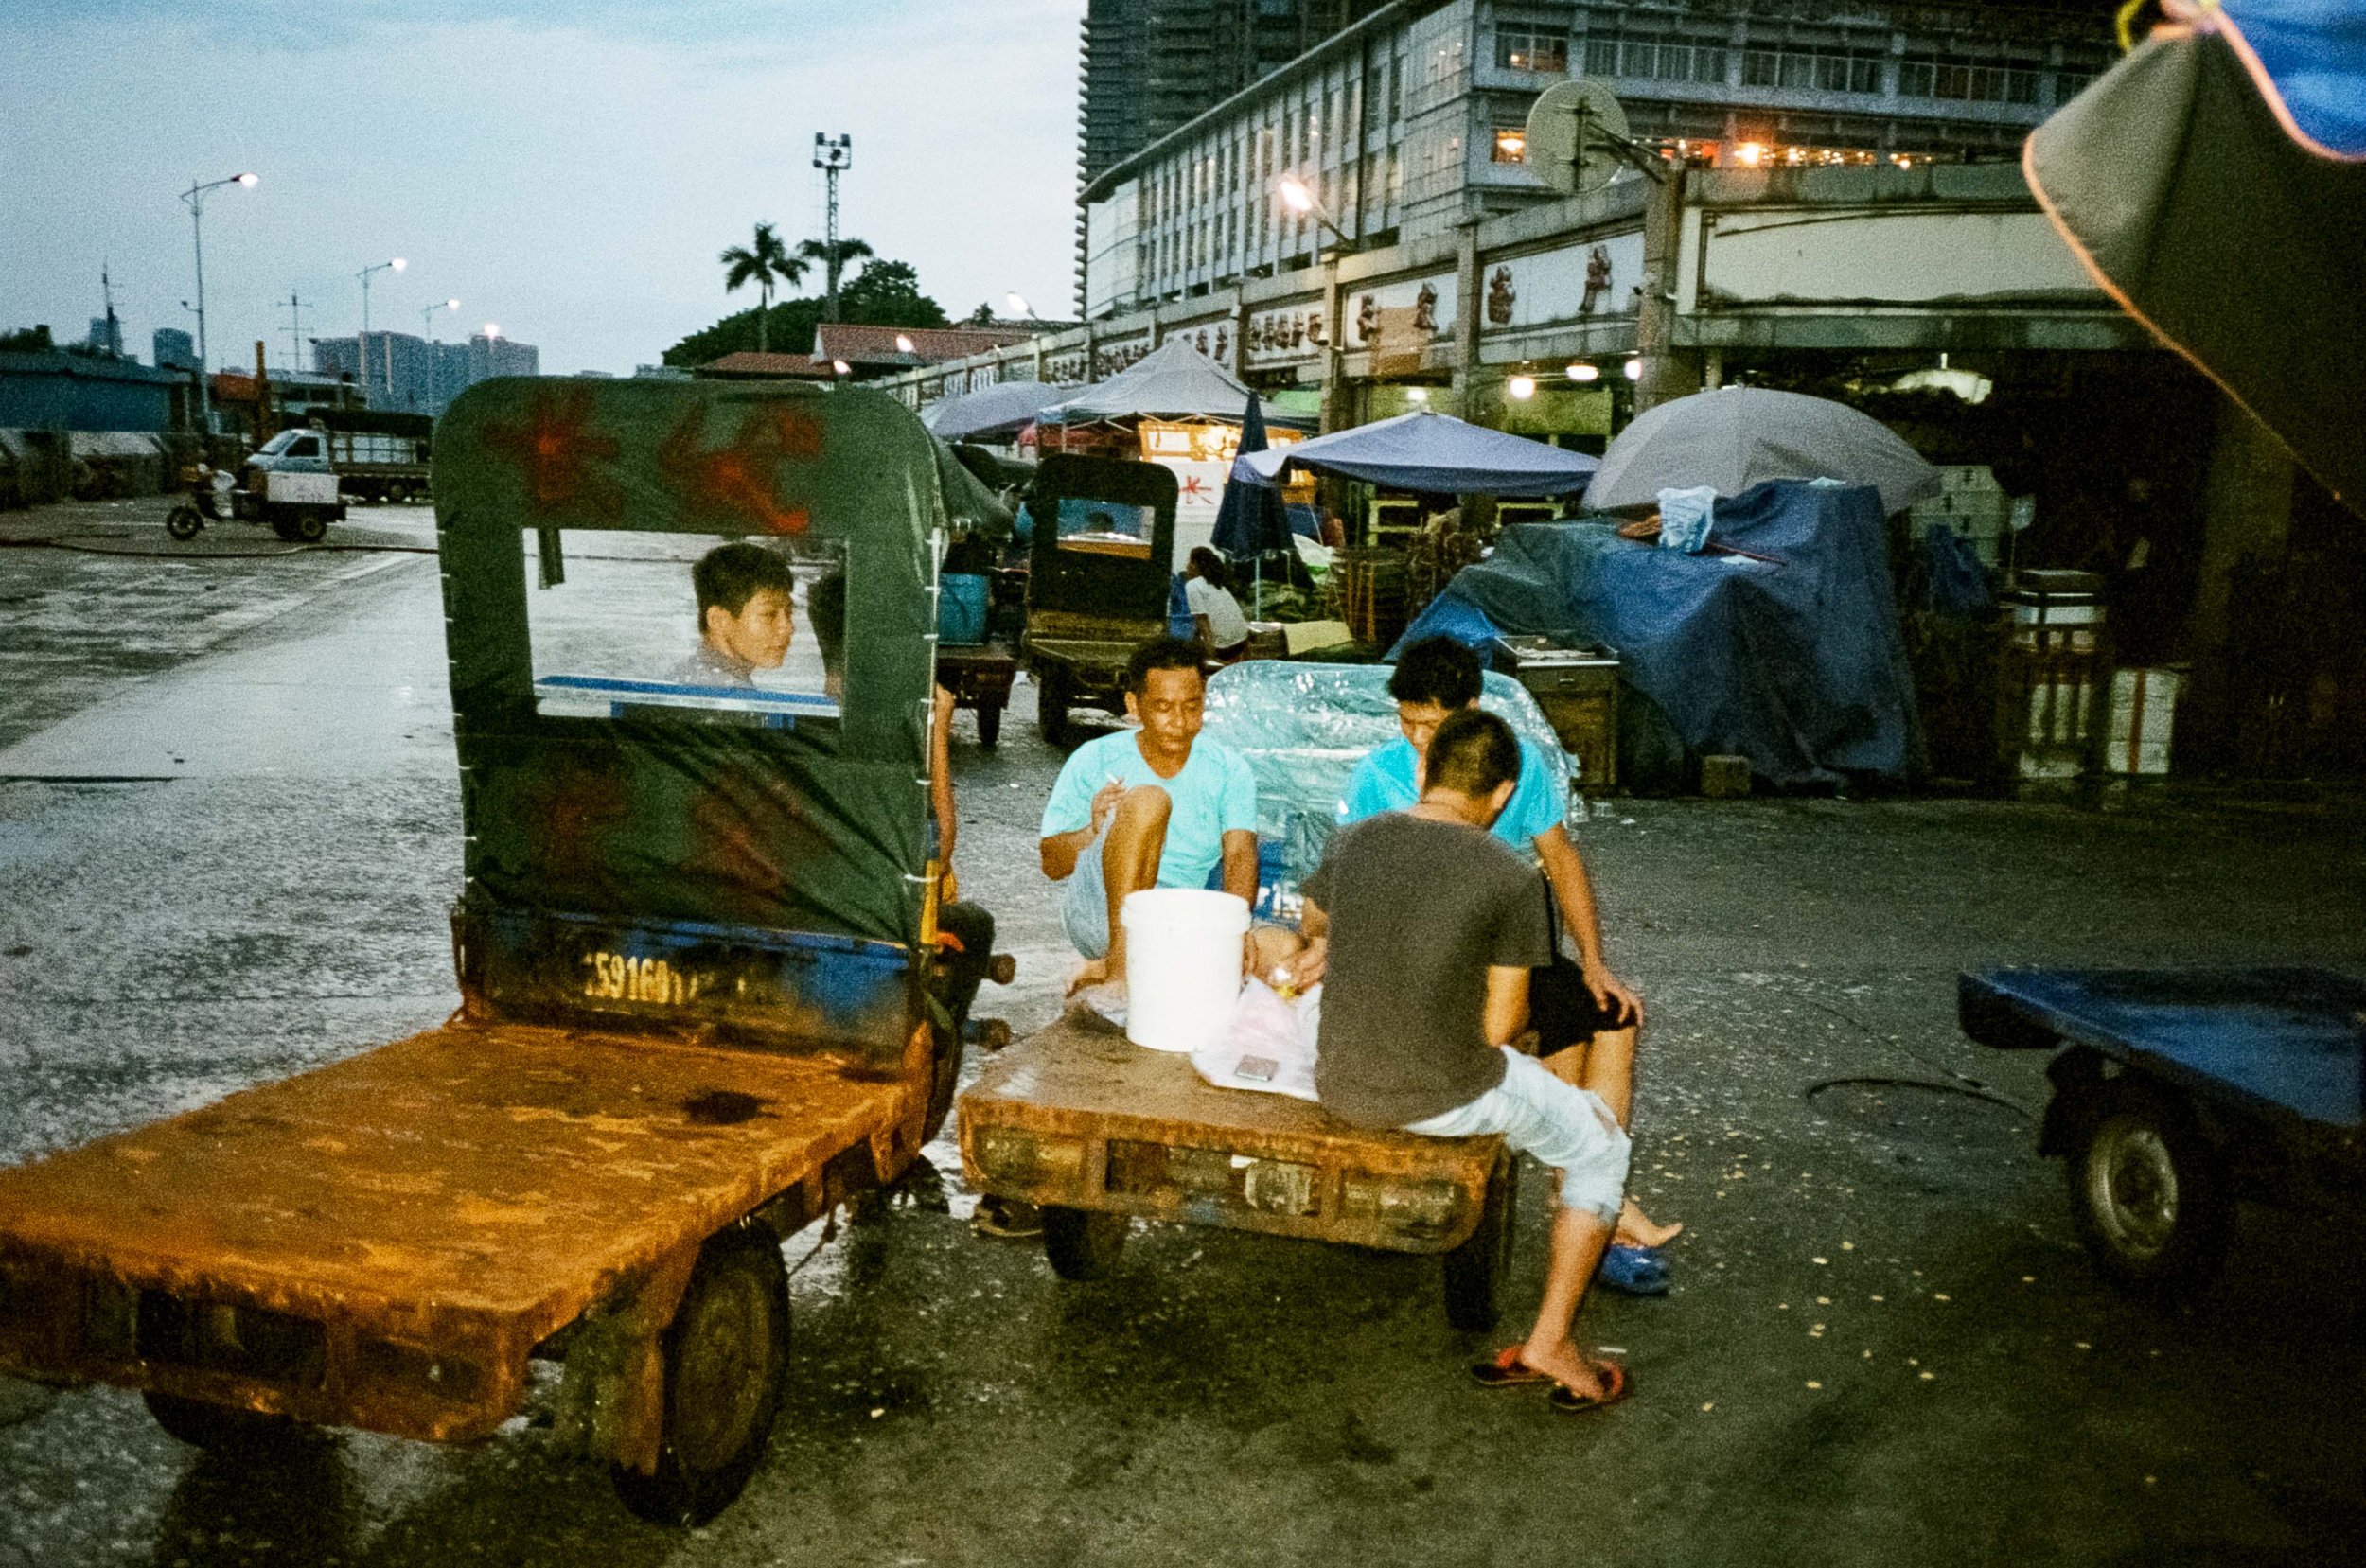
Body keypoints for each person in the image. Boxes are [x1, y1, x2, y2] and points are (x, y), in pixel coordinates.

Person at [1289, 708, 1633, 1411]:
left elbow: (1311, 922)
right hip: (1438, 1096)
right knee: (1602, 1146)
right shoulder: (1511, 877)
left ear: (1425, 769)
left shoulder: (1356, 839)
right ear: (1503, 792)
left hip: (1340, 1080)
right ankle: (1552, 1342)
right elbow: (1501, 1027)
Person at [1338, 637, 1676, 1261]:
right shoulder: (1377, 775)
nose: (1417, 739)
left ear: (1473, 708)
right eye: (1406, 721)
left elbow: (1562, 863)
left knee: (1614, 1014)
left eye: (1433, 724)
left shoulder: (1516, 771)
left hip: (1511, 940)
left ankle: (1586, 1193)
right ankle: (1578, 1180)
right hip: (1427, 955)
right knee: (1549, 1032)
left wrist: (1596, 962)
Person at [1039, 637, 1257, 1007]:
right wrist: (1095, 830)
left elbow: (1239, 855)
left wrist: (1236, 927)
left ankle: (1106, 969)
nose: (1180, 722)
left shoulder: (1229, 769)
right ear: (1133, 706)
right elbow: (1052, 865)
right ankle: (1120, 974)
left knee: (1281, 952)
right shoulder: (1094, 758)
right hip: (1102, 916)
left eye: (1192, 706)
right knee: (1148, 800)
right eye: (1163, 707)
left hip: (1176, 919)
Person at [670, 542, 797, 687]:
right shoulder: (734, 696)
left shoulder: (685, 673)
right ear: (718, 620)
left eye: (789, 612)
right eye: (769, 614)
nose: (788, 627)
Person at [1183, 546, 1251, 661]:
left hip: (1223, 648)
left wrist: (1212, 655)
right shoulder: (1218, 584)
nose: (1187, 565)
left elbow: (1202, 621)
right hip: (1243, 640)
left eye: (1189, 561)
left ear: (1195, 565)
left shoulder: (1193, 585)